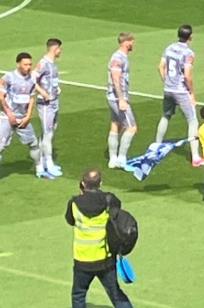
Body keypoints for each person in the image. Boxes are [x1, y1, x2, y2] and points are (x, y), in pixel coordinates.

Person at [65, 169, 133, 308]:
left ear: (83, 183)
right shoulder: (109, 200)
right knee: (116, 294)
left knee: (79, 294)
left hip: (83, 258)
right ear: (100, 183)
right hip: (105, 257)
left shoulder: (74, 203)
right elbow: (117, 213)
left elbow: (70, 220)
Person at [0, 52, 52, 186]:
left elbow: (31, 98)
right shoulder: (8, 77)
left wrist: (28, 115)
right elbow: (0, 97)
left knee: (33, 144)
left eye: (30, 64)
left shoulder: (31, 79)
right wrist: (9, 114)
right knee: (0, 147)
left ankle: (39, 170)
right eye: (25, 64)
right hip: (7, 118)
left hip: (23, 118)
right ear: (18, 64)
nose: (28, 67)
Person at [155, 25, 202, 166]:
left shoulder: (169, 48)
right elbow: (187, 76)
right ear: (190, 37)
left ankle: (156, 146)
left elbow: (160, 67)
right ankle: (195, 156)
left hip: (168, 89)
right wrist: (192, 93)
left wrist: (166, 81)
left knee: (165, 116)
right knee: (192, 120)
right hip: (181, 91)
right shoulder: (188, 53)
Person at [107, 33, 137, 170]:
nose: (133, 44)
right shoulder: (118, 58)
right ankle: (122, 159)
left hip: (114, 97)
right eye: (132, 41)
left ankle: (113, 159)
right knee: (131, 127)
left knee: (115, 125)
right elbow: (115, 78)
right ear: (126, 42)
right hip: (117, 98)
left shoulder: (120, 57)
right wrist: (121, 99)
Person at [35, 38, 63, 177]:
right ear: (54, 48)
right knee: (47, 134)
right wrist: (43, 93)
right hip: (45, 104)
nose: (60, 51)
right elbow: (32, 80)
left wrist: (56, 88)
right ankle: (48, 163)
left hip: (54, 102)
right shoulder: (43, 64)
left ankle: (43, 162)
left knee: (50, 133)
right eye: (60, 49)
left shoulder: (53, 65)